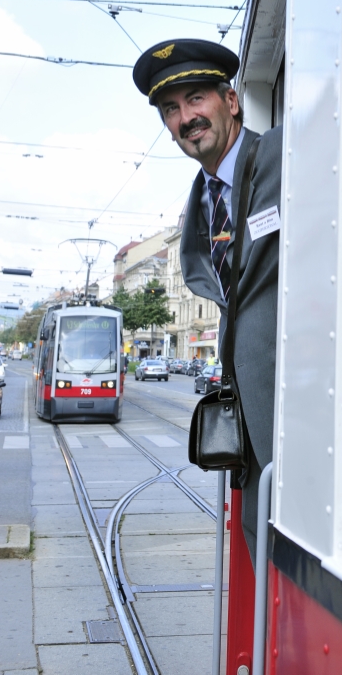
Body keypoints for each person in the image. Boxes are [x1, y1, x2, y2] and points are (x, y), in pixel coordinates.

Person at [133, 38, 282, 560]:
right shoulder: (200, 200)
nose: (186, 118)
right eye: (171, 110)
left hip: (293, 412)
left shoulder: (283, 156)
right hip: (249, 426)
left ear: (232, 101)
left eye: (197, 99)